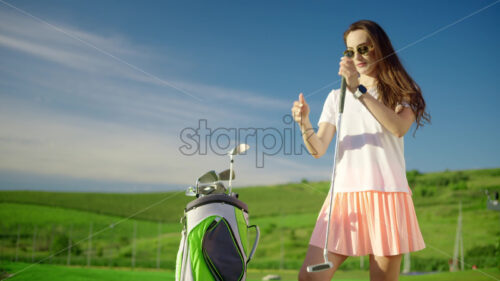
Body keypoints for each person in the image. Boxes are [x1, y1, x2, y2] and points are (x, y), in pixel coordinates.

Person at [292, 20, 430, 281]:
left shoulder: (403, 92)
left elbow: (398, 127)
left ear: (379, 47)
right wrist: (304, 124)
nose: (357, 56)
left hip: (387, 196)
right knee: (309, 277)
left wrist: (359, 90)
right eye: (350, 51)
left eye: (363, 48)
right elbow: (318, 148)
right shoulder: (335, 97)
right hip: (342, 199)